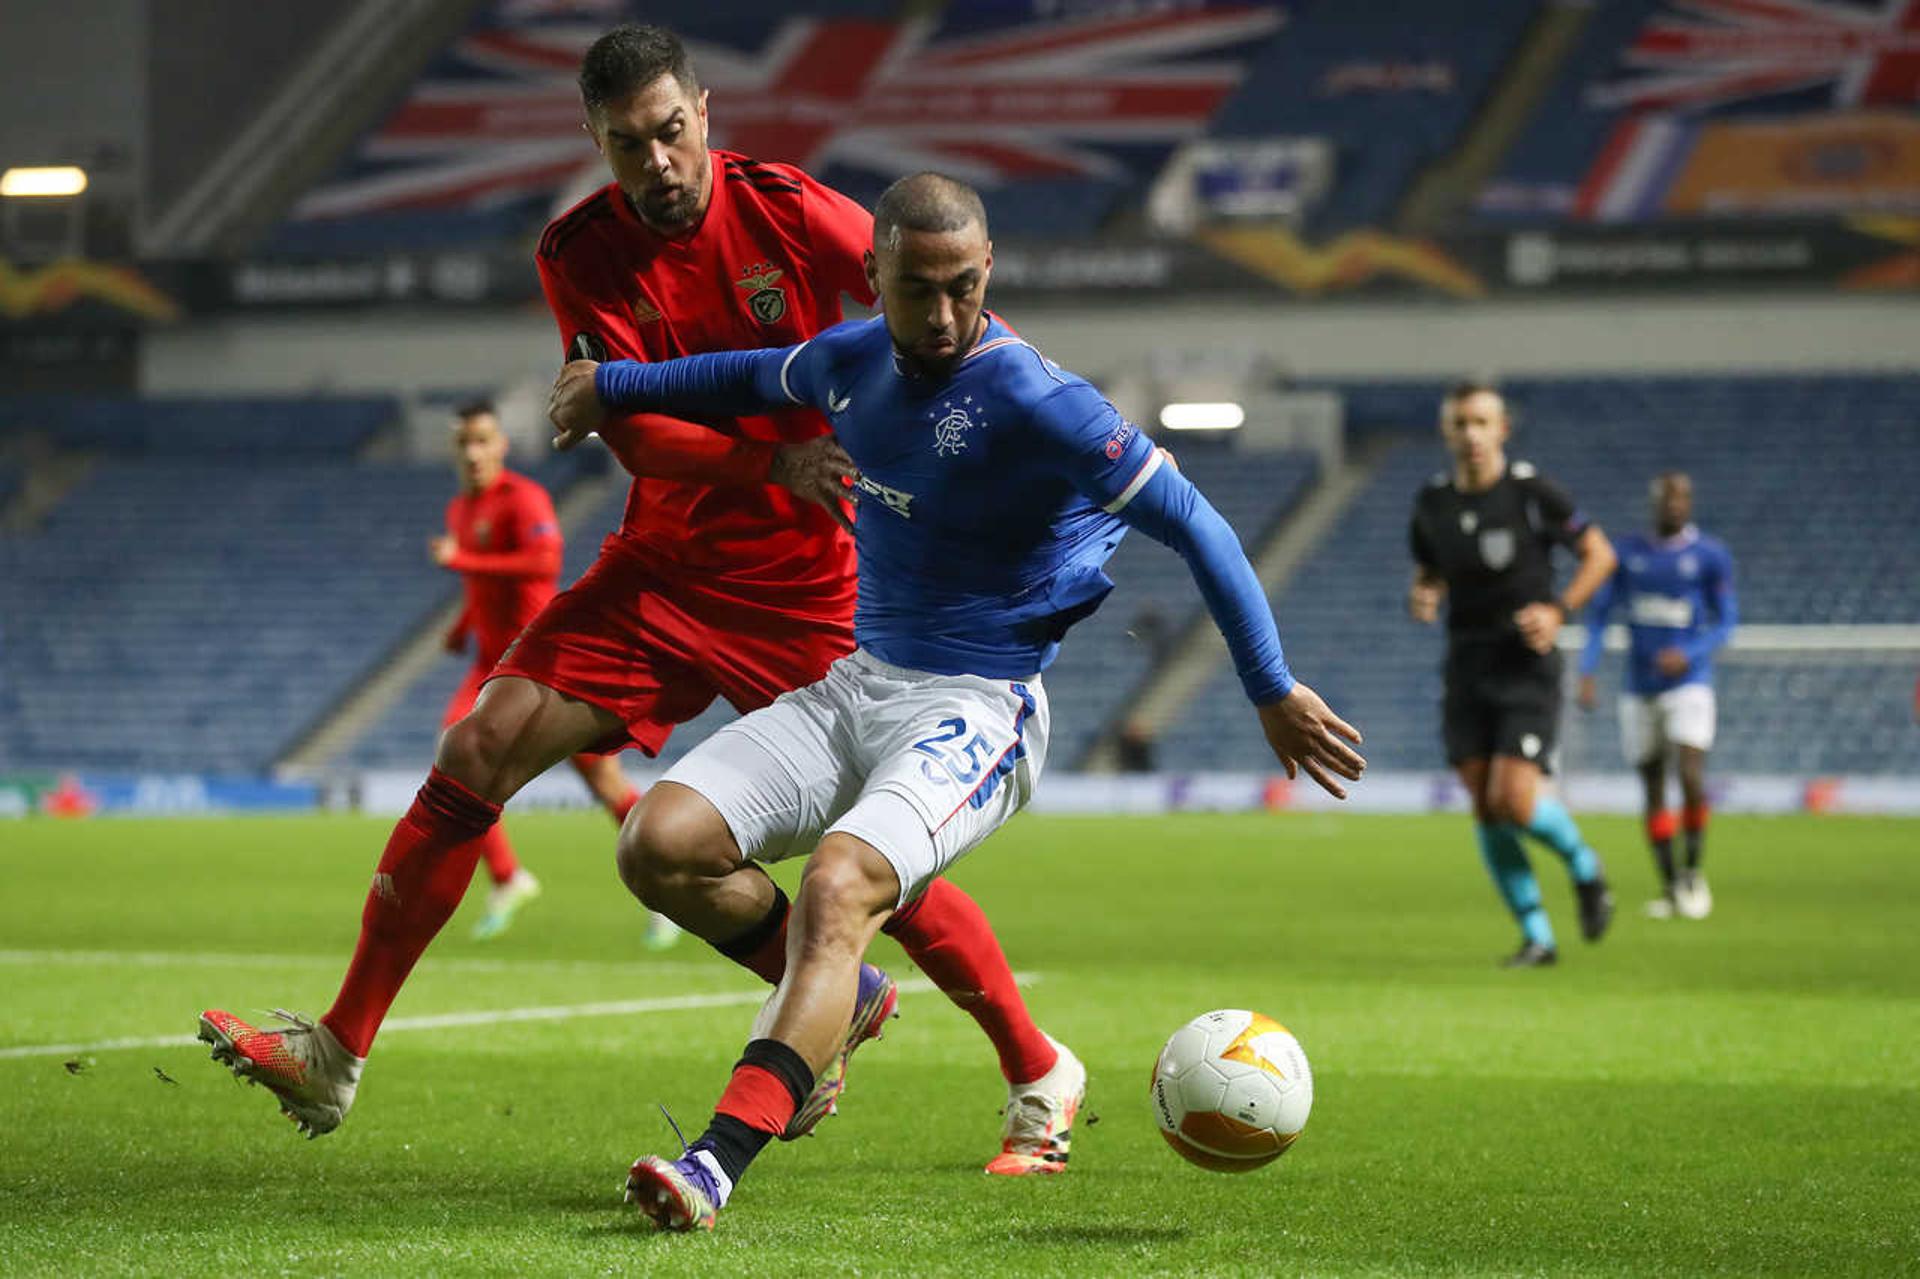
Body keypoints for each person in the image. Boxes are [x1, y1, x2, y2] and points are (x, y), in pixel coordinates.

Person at [197, 27, 1071, 1178]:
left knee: (874, 867)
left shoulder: (798, 215)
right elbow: (624, 423)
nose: (658, 161)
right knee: (480, 744)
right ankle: (338, 1050)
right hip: (661, 572)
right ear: (596, 141)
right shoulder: (580, 250)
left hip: (814, 591)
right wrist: (768, 464)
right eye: (629, 143)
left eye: (671, 130)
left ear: (705, 112)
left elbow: (939, 308)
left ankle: (1033, 1063)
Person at [546, 170, 1368, 1232]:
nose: (942, 315)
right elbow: (737, 374)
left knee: (842, 883)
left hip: (980, 707)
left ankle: (712, 1162)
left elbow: (1198, 524)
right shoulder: (847, 363)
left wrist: (1271, 685)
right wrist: (613, 385)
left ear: (990, 275)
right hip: (860, 683)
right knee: (656, 844)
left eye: (963, 288)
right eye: (916, 289)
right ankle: (852, 1002)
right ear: (873, 274)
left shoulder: (1037, 397)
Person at [430, 400, 673, 945]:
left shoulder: (523, 499)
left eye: (482, 440)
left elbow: (543, 563)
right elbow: (487, 587)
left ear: (500, 445)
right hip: (488, 666)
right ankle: (507, 877)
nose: (472, 452)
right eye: (463, 442)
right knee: (455, 752)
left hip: (542, 664)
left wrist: (462, 562)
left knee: (602, 781)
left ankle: (668, 881)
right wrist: (461, 625)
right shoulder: (461, 509)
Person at [1407, 383, 1618, 968]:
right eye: (1460, 424)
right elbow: (1429, 572)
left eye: (1481, 422)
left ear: (1502, 429)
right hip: (1466, 665)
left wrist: (1558, 610)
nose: (1471, 434)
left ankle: (1585, 866)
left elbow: (1600, 555)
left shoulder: (1531, 493)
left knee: (1514, 800)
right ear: (1447, 433)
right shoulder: (1432, 503)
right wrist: (1424, 595)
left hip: (1525, 665)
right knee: (1484, 805)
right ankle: (1538, 938)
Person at [1577, 472, 1735, 920]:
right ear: (1654, 503)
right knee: (1651, 785)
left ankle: (1692, 872)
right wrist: (1587, 671)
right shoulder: (1627, 554)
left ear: (1690, 503)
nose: (1675, 505)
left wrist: (1690, 653)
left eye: (1683, 497)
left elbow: (1727, 621)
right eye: (1667, 497)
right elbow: (1599, 617)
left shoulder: (1709, 556)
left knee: (1689, 775)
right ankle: (1668, 886)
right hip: (1639, 688)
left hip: (1690, 684)